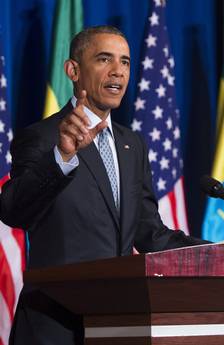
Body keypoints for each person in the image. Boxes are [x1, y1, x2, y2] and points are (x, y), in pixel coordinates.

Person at [0, 25, 209, 345]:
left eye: (125, 62)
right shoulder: (43, 138)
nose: (118, 71)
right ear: (73, 70)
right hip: (55, 326)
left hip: (115, 324)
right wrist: (62, 156)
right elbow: (15, 210)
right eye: (104, 59)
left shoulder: (132, 144)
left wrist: (216, 253)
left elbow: (150, 234)